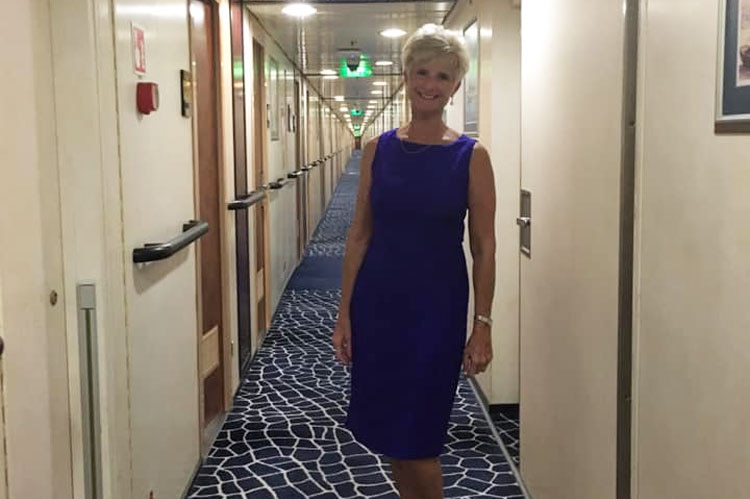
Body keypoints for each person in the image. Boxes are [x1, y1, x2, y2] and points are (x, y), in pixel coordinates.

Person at [332, 23, 496, 499]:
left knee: (419, 437)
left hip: (435, 312)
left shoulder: (471, 156)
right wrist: (344, 314)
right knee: (391, 436)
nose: (430, 84)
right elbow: (359, 235)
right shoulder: (378, 149)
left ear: (456, 86)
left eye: (443, 76)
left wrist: (482, 323)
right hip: (378, 304)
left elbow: (484, 246)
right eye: (421, 72)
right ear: (406, 75)